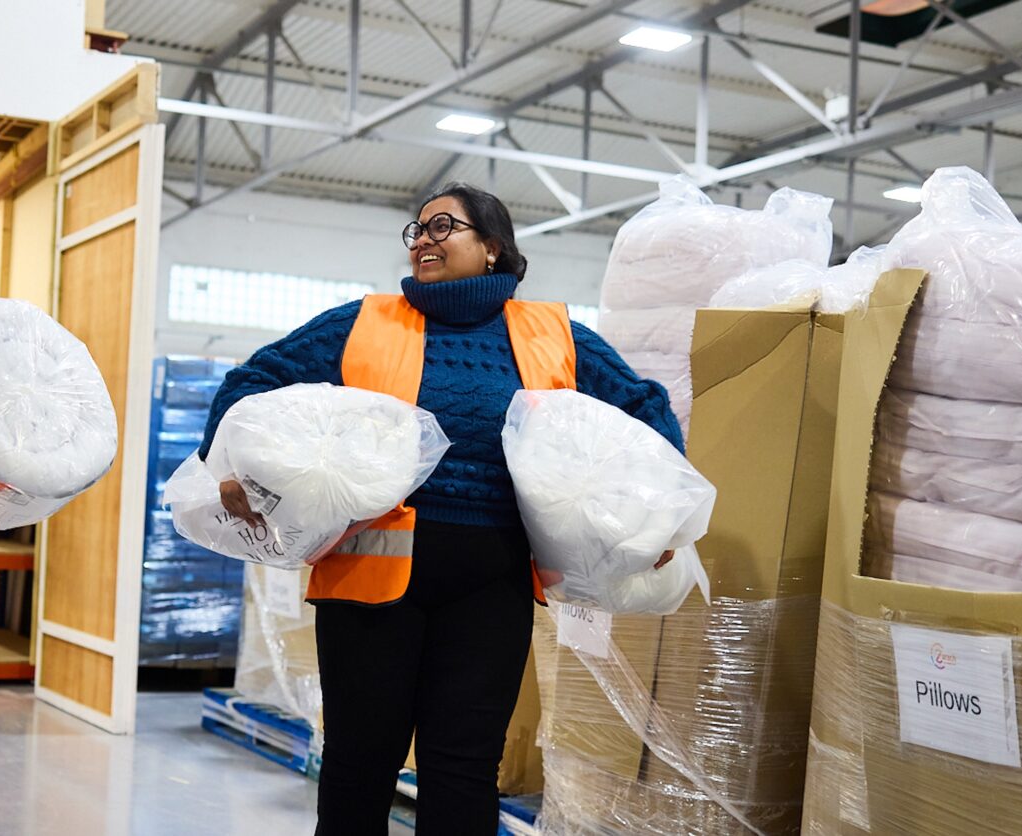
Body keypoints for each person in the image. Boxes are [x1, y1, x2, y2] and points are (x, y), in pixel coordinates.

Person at [200, 183, 684, 834]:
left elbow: (644, 407)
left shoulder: (553, 332)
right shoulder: (364, 320)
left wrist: (661, 514)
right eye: (417, 230)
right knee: (359, 760)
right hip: (369, 575)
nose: (423, 239)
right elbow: (253, 381)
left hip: (493, 583)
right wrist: (227, 466)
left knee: (463, 765)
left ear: (492, 247)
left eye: (442, 227)